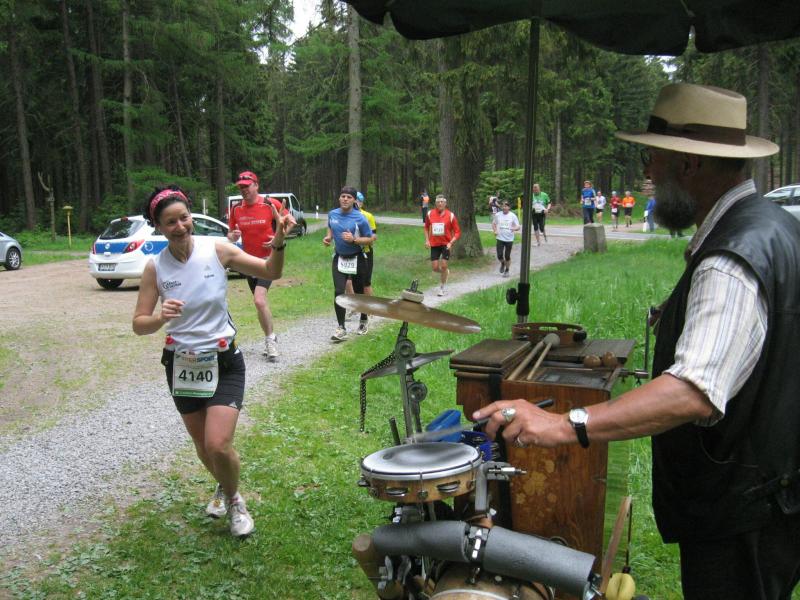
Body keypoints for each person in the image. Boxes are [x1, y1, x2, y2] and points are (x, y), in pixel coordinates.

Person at [474, 83, 800, 599]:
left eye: (652, 158)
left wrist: (563, 424)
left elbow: (692, 392)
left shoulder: (730, 258)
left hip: (742, 512)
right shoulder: (776, 226)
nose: (646, 173)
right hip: (770, 493)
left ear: (688, 163)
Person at [132, 185, 290, 538]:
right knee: (204, 447)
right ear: (158, 226)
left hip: (223, 360)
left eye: (184, 217)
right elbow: (139, 324)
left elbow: (270, 270)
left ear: (191, 217)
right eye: (170, 222)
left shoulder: (217, 250)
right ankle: (226, 485)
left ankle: (234, 501)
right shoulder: (155, 268)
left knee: (218, 443)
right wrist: (159, 318)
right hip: (182, 365)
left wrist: (279, 242)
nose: (180, 226)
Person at [227, 170, 294, 361]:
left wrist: (279, 236)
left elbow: (291, 221)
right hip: (249, 262)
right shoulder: (236, 209)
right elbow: (230, 234)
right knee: (260, 304)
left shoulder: (270, 203)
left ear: (256, 185)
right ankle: (270, 336)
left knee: (259, 300)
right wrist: (233, 236)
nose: (244, 190)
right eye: (241, 187)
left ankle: (270, 340)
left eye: (247, 186)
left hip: (268, 260)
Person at [323, 186, 373, 341]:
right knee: (339, 291)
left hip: (357, 258)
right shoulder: (332, 214)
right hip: (339, 258)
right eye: (343, 196)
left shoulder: (360, 218)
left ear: (354, 200)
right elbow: (331, 227)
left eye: (349, 197)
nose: (345, 199)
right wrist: (328, 237)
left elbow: (370, 239)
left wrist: (354, 240)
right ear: (339, 198)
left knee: (359, 292)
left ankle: (363, 320)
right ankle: (341, 328)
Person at [344, 191, 378, 330]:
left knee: (365, 283)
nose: (356, 203)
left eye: (358, 200)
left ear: (362, 202)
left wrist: (359, 240)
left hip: (365, 253)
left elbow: (373, 237)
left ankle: (369, 309)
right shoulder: (345, 215)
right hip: (349, 253)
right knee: (348, 281)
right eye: (355, 200)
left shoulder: (367, 216)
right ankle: (354, 306)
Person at [424, 194, 461, 296]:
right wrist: (427, 240)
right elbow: (426, 227)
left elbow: (457, 232)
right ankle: (445, 272)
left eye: (442, 202)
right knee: (435, 268)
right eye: (438, 202)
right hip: (434, 244)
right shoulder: (430, 214)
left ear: (445, 203)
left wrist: (451, 242)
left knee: (444, 265)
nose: (440, 203)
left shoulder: (451, 215)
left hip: (446, 244)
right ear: (435, 203)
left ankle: (442, 287)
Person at [491, 200, 520, 277]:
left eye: (506, 206)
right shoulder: (498, 215)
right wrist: (495, 231)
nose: (504, 207)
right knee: (499, 255)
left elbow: (518, 226)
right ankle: (503, 263)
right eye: (503, 206)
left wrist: (514, 228)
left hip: (509, 239)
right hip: (500, 238)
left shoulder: (513, 216)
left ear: (509, 207)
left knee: (507, 256)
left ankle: (507, 270)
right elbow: (493, 224)